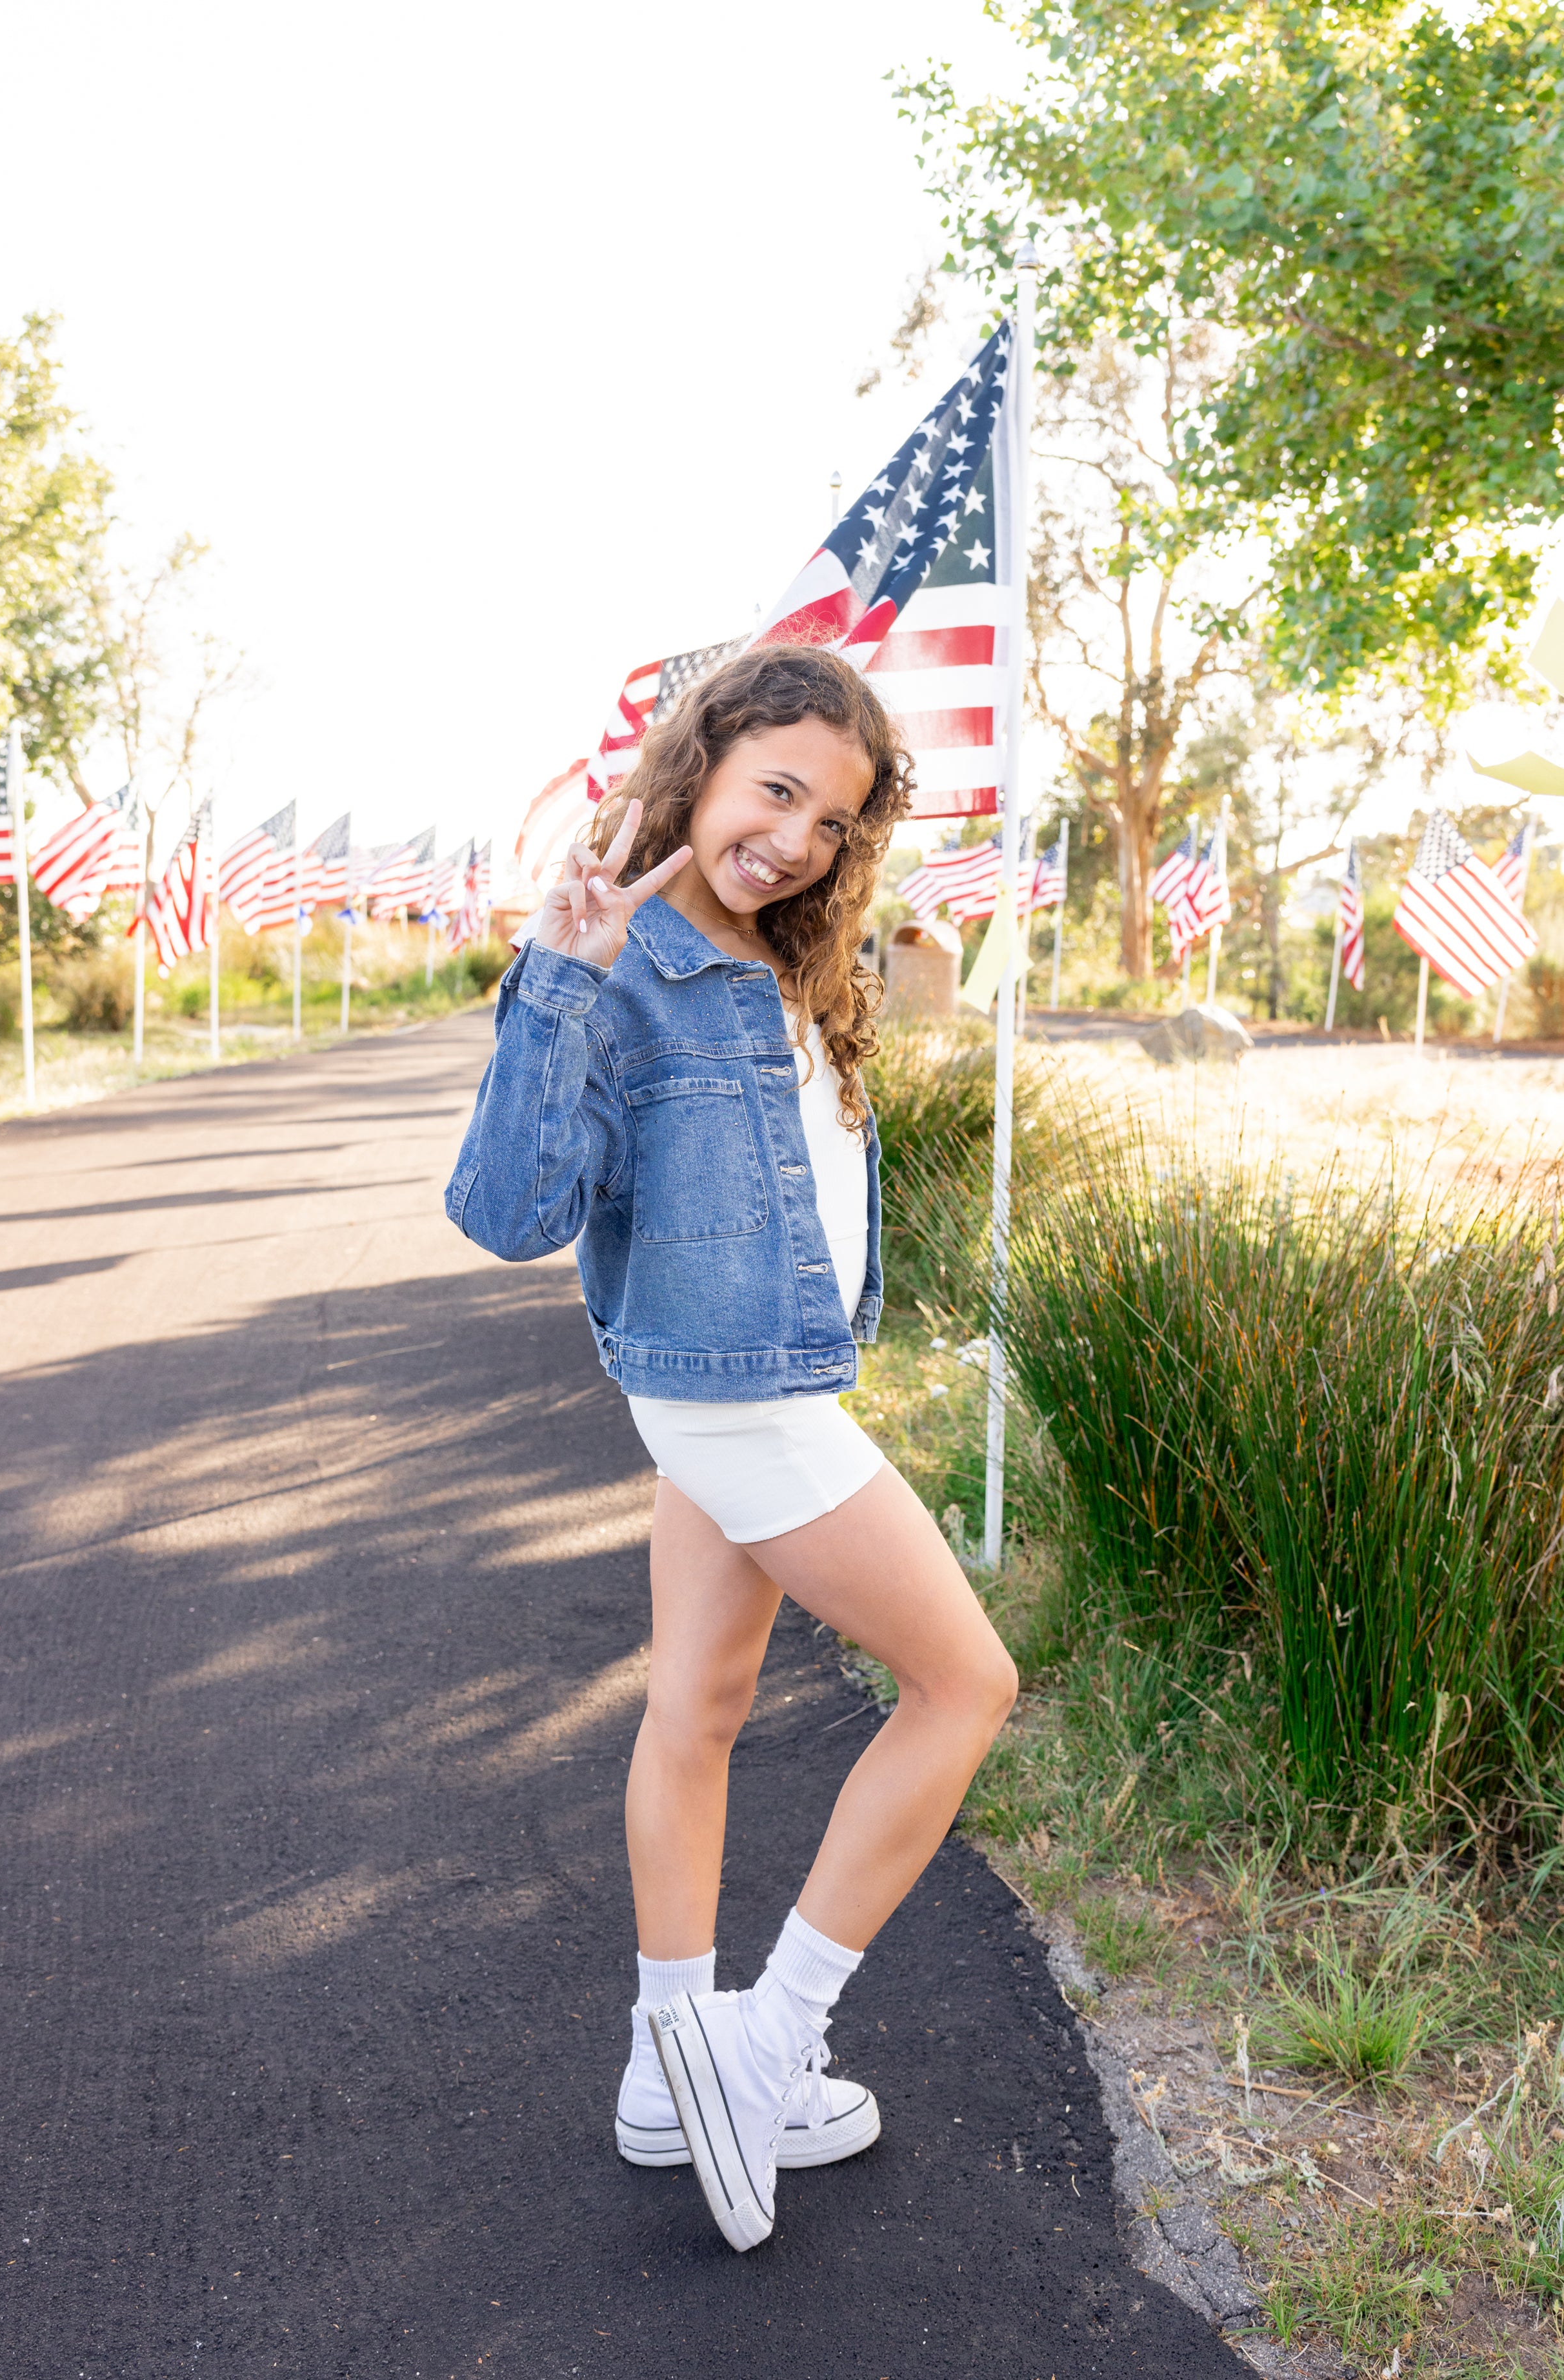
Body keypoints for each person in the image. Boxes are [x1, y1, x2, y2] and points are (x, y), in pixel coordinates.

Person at [445, 645, 1017, 2253]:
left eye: (832, 819)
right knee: (968, 1685)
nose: (797, 839)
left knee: (694, 1712)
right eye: (776, 791)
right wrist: (556, 977)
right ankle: (765, 2043)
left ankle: (662, 2059)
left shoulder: (782, 954)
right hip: (738, 1401)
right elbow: (505, 1217)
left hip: (748, 1385)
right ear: (699, 764)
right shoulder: (616, 960)